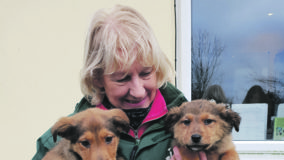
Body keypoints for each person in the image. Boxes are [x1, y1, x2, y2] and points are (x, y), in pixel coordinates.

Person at [32, 5, 187, 160]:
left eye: (146, 73)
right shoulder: (59, 140)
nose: (138, 91)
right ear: (97, 78)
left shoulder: (190, 126)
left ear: (157, 69)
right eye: (122, 78)